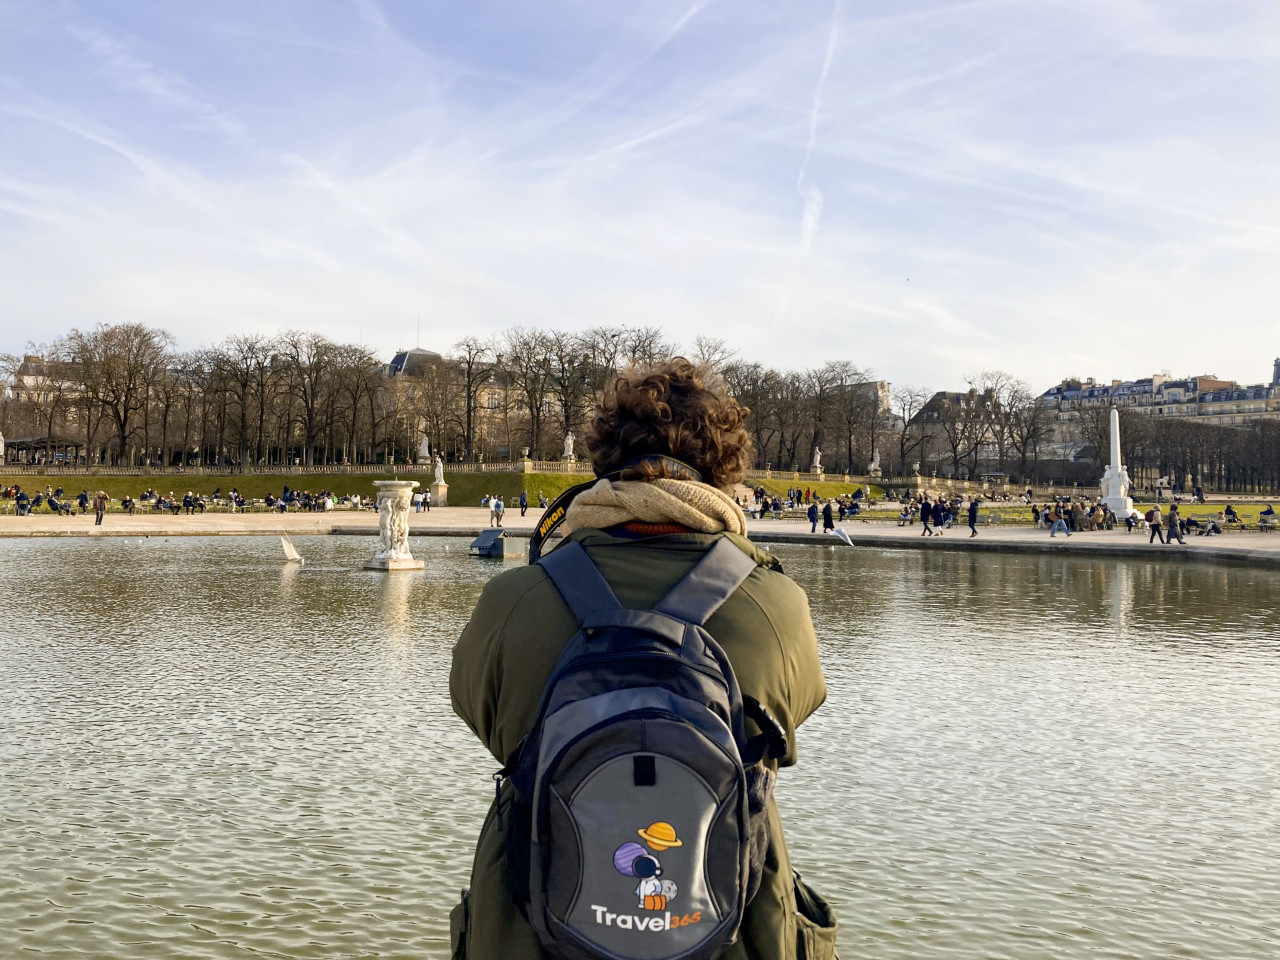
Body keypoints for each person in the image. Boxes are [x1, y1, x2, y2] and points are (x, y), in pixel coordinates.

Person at [450, 358, 831, 960]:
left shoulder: (513, 601)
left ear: (603, 459)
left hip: (535, 930)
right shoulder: (776, 605)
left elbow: (485, 718)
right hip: (728, 932)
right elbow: (790, 725)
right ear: (725, 470)